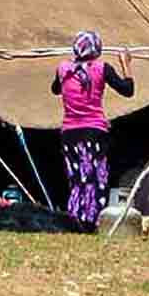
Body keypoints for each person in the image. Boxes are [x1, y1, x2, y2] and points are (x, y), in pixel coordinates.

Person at [52, 30, 135, 232]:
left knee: (77, 179)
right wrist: (126, 64)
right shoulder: (101, 68)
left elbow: (55, 89)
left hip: (70, 134)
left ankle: (74, 220)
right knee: (95, 179)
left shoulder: (63, 69)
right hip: (93, 132)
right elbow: (128, 90)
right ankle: (90, 223)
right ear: (96, 50)